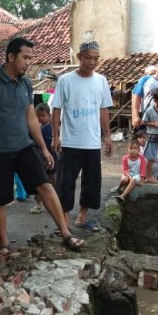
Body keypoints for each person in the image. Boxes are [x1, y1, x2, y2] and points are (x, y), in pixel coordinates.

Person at [0, 37, 85, 255]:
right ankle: (4, 243)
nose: (29, 62)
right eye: (25, 58)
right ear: (10, 57)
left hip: (24, 147)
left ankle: (65, 233)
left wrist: (44, 149)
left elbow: (31, 119)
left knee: (45, 185)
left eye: (30, 58)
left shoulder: (26, 83)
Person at [51, 40, 114, 232]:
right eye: (88, 58)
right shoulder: (65, 80)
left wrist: (107, 136)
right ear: (79, 57)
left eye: (96, 58)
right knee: (65, 182)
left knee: (92, 181)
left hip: (92, 142)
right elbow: (56, 109)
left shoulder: (101, 81)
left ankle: (82, 217)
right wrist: (55, 136)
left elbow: (103, 110)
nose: (92, 62)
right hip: (70, 141)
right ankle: (64, 221)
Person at [31, 103, 56, 214]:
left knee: (52, 181)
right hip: (39, 160)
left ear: (49, 116)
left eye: (43, 115)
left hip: (51, 160)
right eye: (38, 116)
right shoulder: (35, 129)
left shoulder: (53, 130)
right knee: (39, 182)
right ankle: (38, 204)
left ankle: (55, 203)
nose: (41, 118)